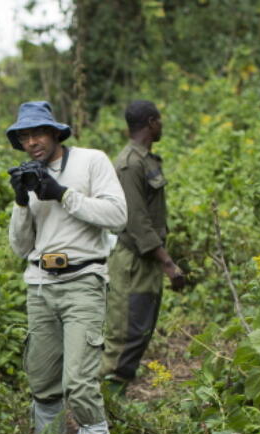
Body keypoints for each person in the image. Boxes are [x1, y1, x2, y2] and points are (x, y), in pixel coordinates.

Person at [6, 101, 127, 434]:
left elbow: (118, 215)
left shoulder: (91, 161)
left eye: (38, 133)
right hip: (40, 286)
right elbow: (21, 247)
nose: (32, 142)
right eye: (24, 136)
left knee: (79, 384)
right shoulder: (29, 174)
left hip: (83, 281)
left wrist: (61, 194)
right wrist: (21, 202)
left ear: (56, 132)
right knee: (43, 385)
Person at [102, 100, 185, 387]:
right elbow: (136, 221)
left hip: (146, 260)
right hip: (132, 261)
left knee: (141, 330)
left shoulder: (147, 160)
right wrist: (169, 264)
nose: (162, 125)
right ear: (151, 123)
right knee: (125, 333)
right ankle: (103, 404)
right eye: (159, 121)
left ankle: (116, 400)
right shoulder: (129, 164)